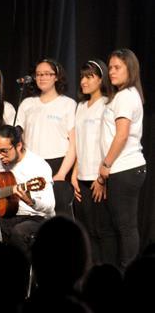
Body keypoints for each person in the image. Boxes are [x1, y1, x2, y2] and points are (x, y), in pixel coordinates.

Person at [97, 48, 147, 269]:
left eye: (117, 67)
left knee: (125, 226)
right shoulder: (124, 95)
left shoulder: (126, 96)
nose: (112, 72)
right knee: (119, 225)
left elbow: (122, 134)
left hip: (124, 167)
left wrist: (106, 164)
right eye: (110, 68)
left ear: (130, 69)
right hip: (124, 169)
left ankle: (128, 272)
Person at [15, 58, 76, 216]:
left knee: (60, 214)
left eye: (47, 74)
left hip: (58, 163)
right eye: (38, 74)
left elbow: (74, 144)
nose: (42, 78)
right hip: (33, 165)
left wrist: (62, 173)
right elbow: (17, 136)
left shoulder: (68, 104)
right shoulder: (27, 104)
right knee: (34, 212)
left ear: (56, 77)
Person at [0, 125, 55, 256]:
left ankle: (21, 274)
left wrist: (31, 201)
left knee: (19, 232)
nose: (0, 156)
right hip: (10, 216)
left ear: (18, 145)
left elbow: (50, 206)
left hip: (37, 218)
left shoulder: (38, 165)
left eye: (4, 151)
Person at [70, 59, 111, 263]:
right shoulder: (80, 106)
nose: (84, 81)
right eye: (82, 77)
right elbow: (79, 144)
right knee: (84, 229)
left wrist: (101, 177)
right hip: (82, 177)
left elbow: (107, 142)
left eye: (89, 77)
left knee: (101, 229)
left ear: (101, 79)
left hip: (99, 177)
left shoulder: (107, 104)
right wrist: (75, 174)